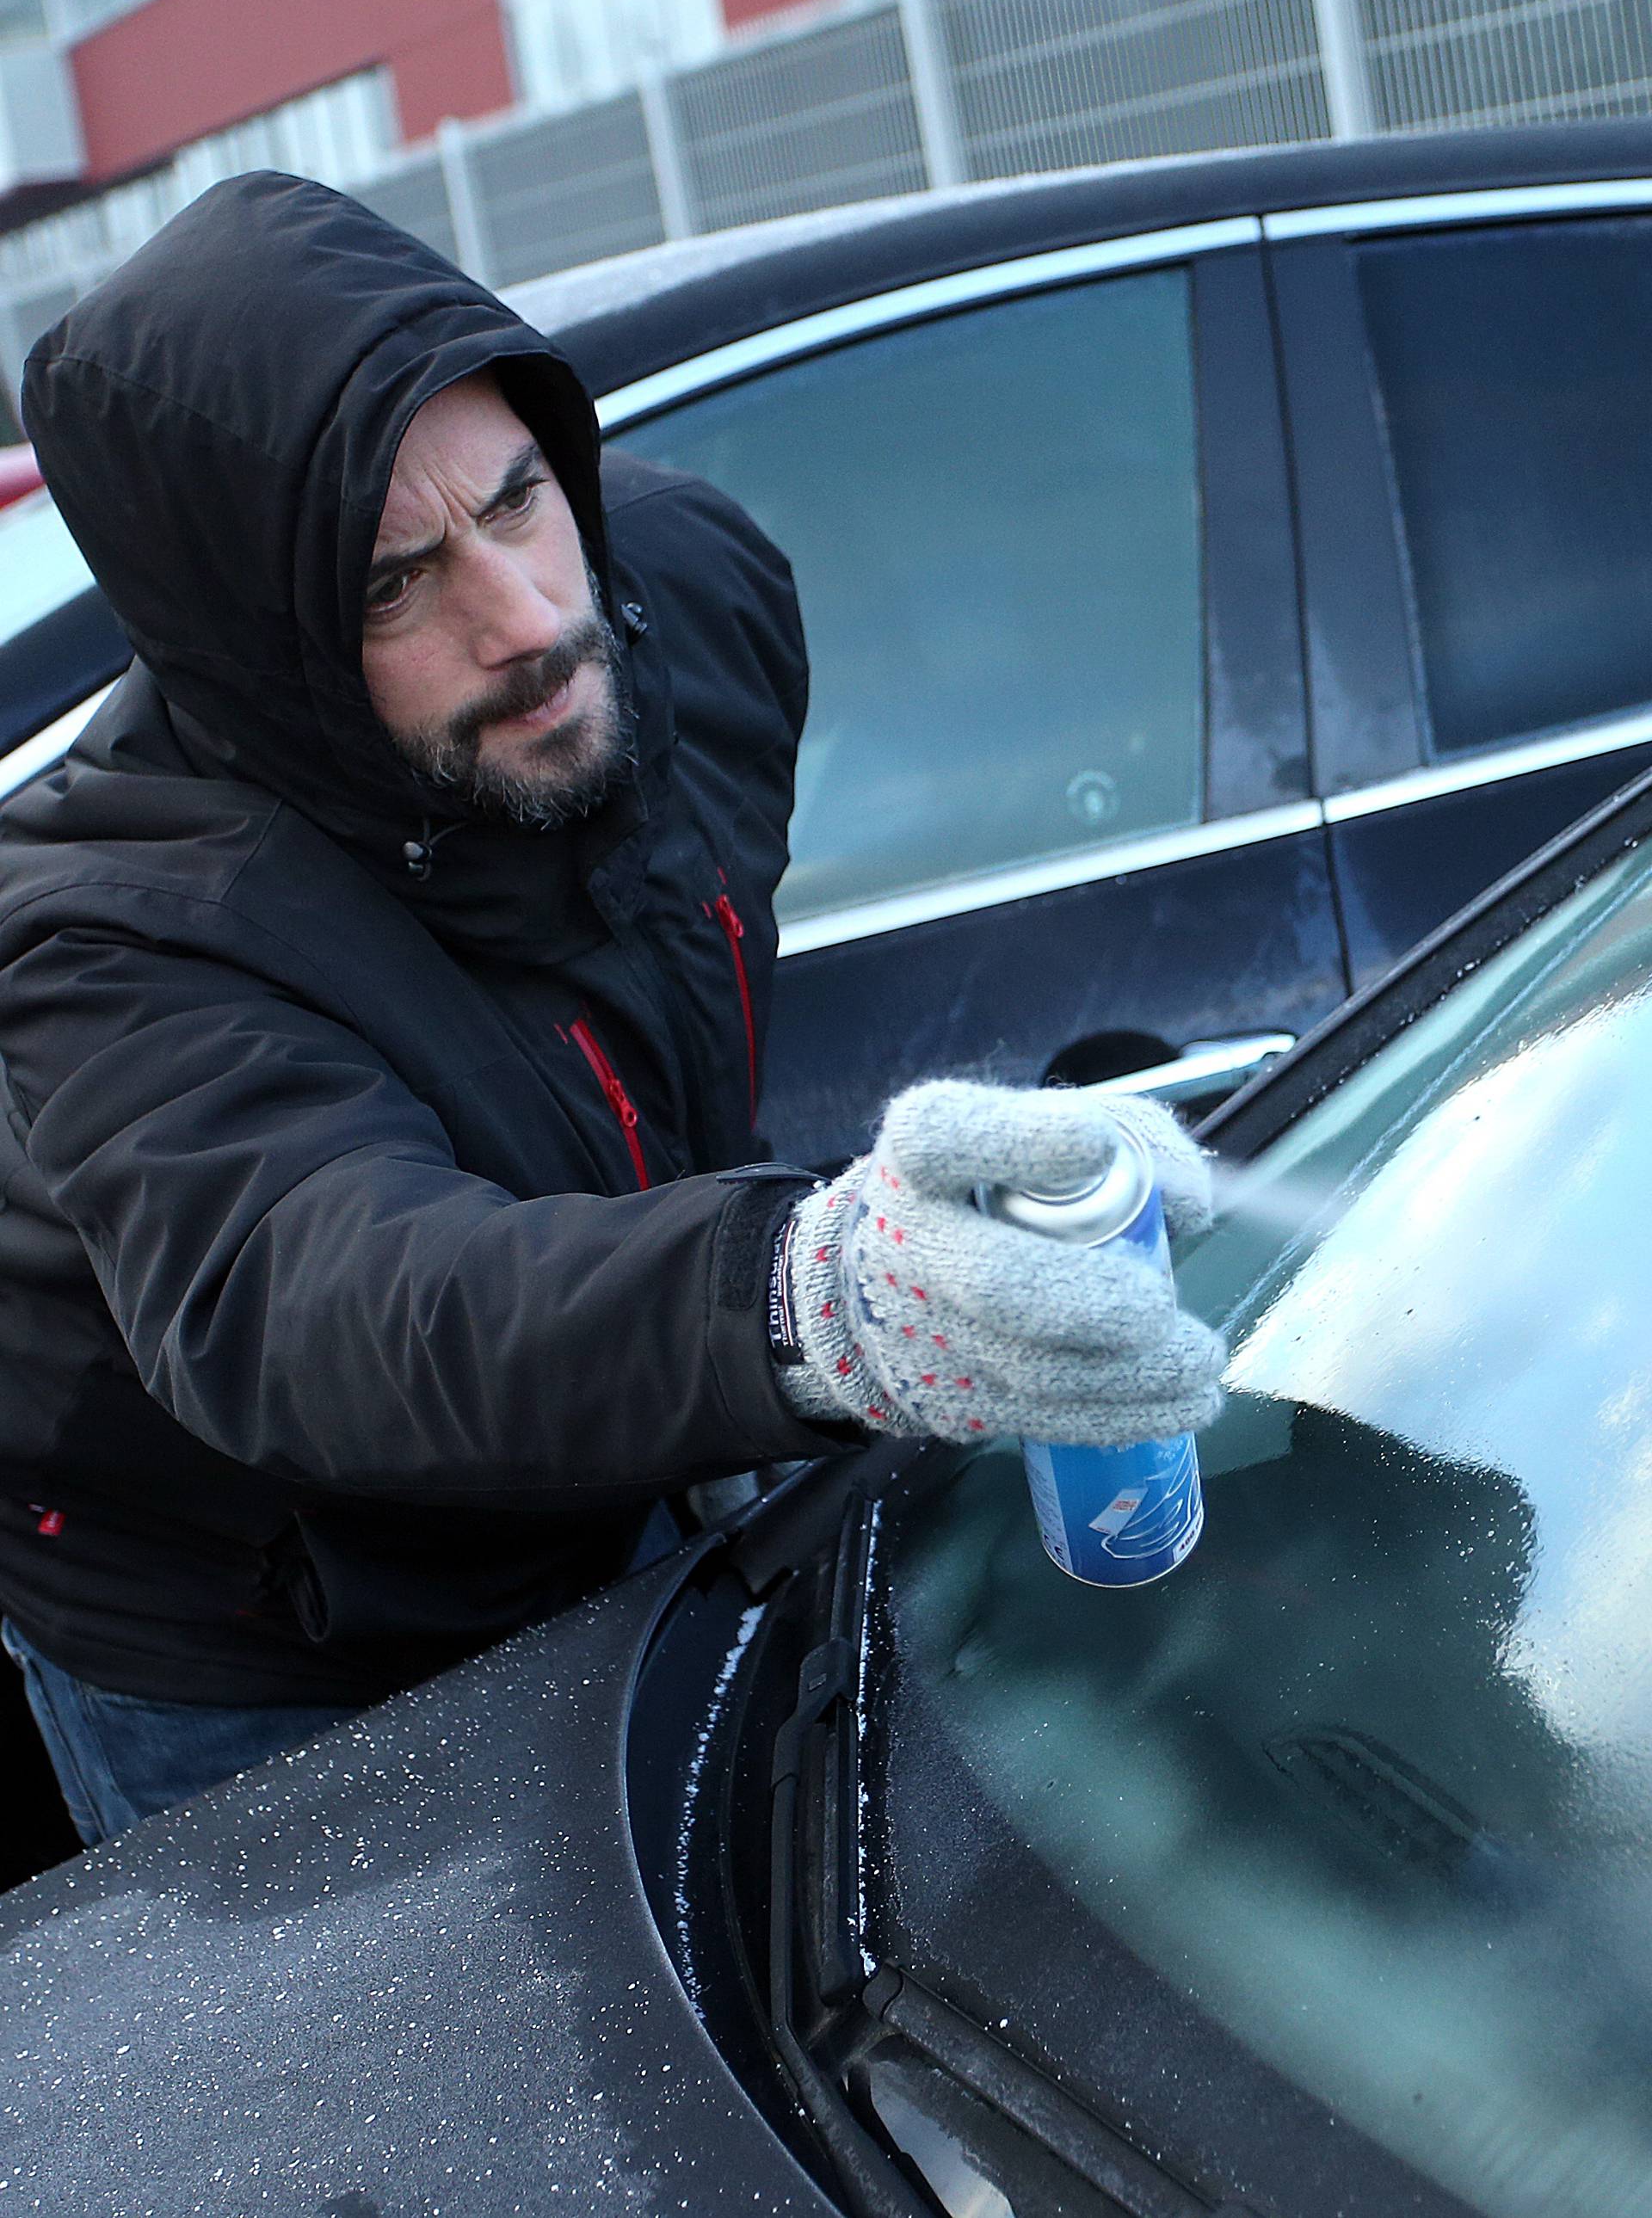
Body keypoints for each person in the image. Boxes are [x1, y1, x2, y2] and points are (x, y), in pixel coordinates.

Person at [0, 172, 1224, 1847]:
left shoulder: (687, 597)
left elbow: (639, 967)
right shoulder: (114, 932)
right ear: (255, 649)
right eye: (391, 586)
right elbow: (330, 1302)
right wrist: (801, 1299)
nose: (522, 620)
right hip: (260, 1638)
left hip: (600, 1448)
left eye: (515, 499)